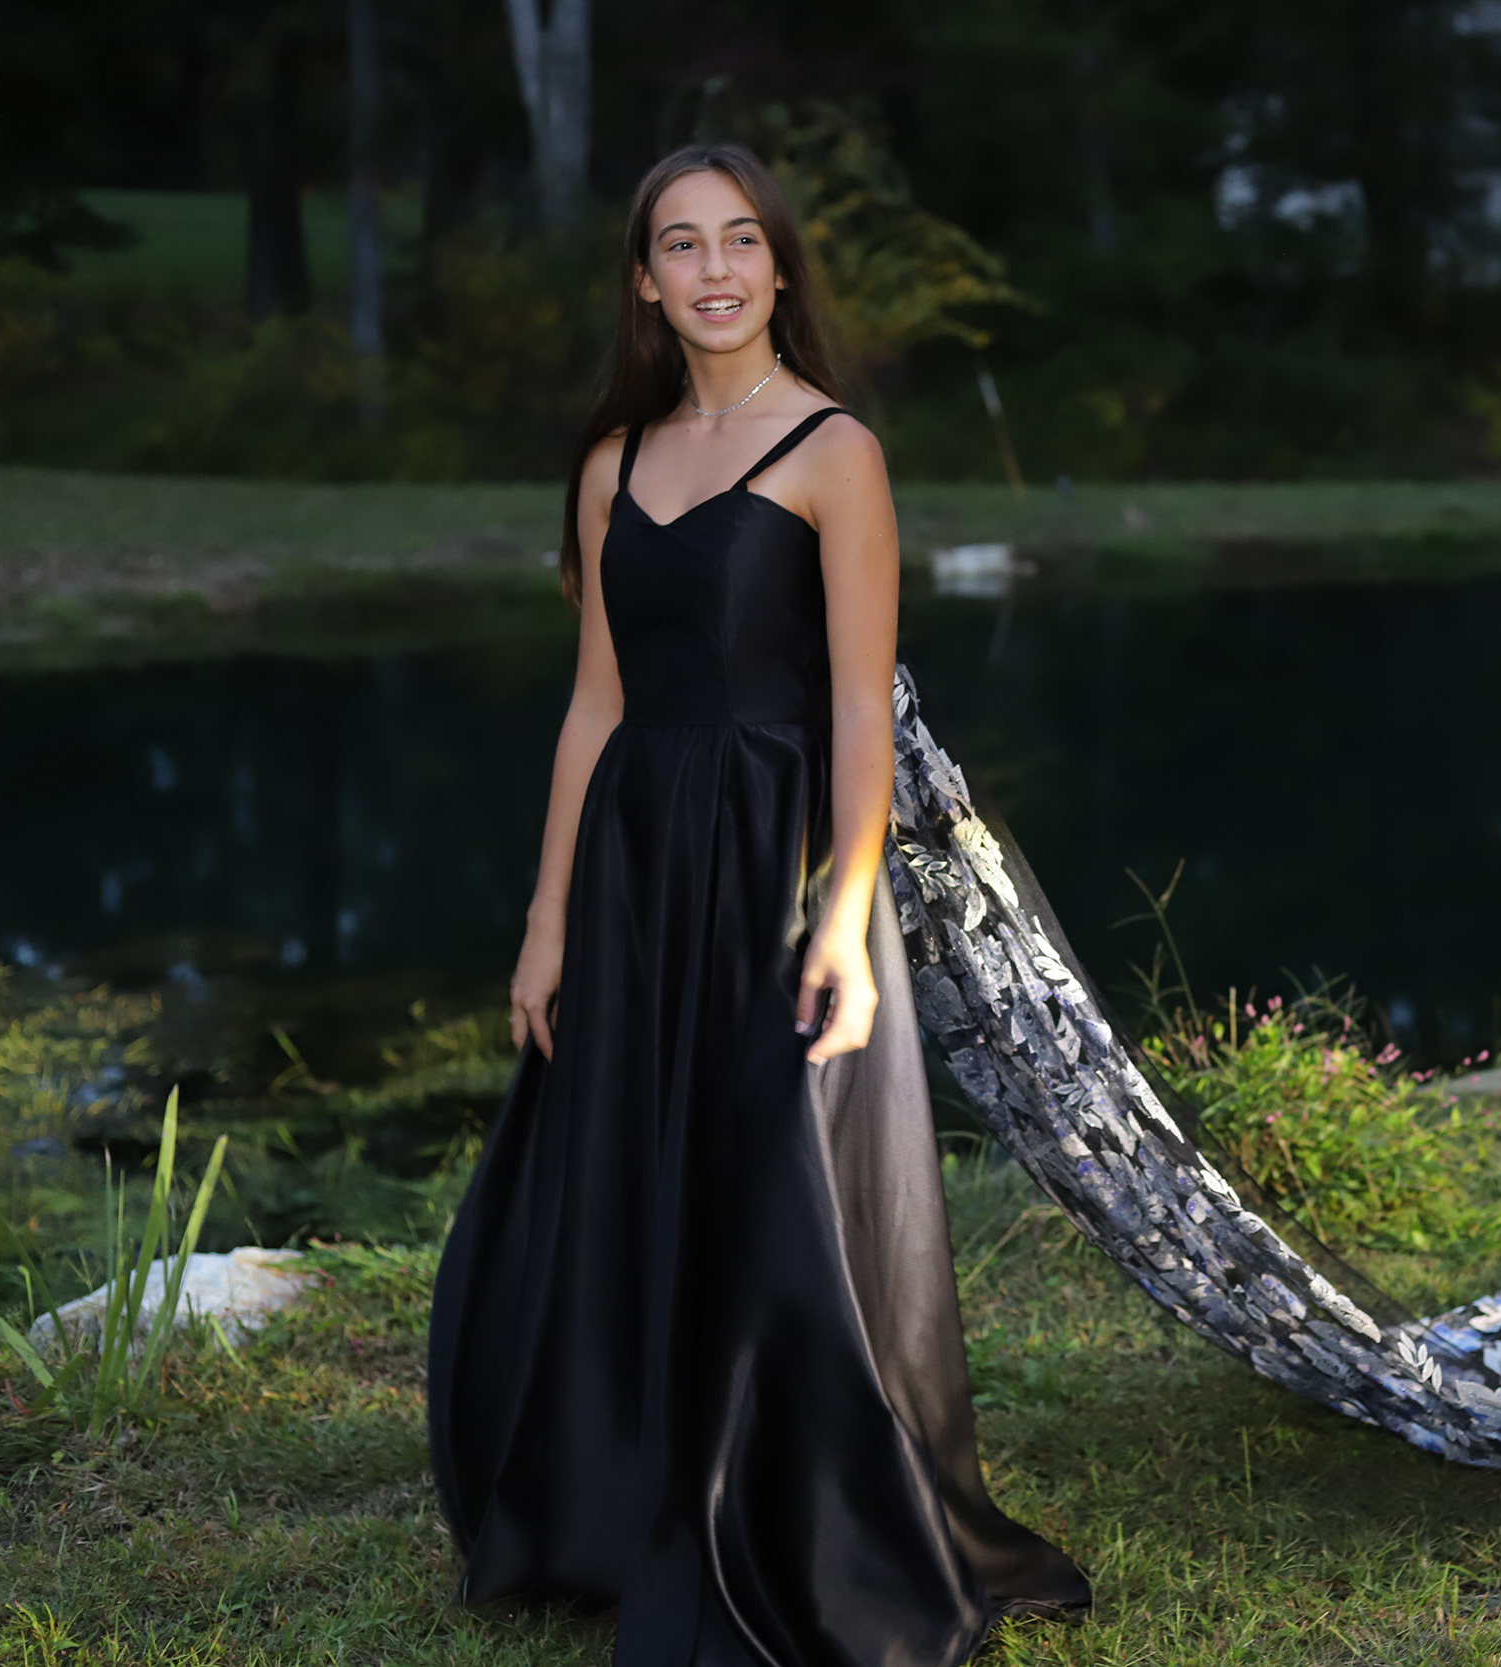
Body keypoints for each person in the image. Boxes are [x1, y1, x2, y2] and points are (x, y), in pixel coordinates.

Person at [426, 143, 1090, 1667]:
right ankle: (610, 1504)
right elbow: (593, 703)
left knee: (768, 1175)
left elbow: (862, 708)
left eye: (741, 241)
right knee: (614, 1173)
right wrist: (547, 918)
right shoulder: (611, 462)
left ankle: (789, 1510)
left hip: (778, 854)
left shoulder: (834, 451)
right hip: (636, 859)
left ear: (781, 270)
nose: (714, 268)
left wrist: (846, 917)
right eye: (680, 244)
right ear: (643, 280)